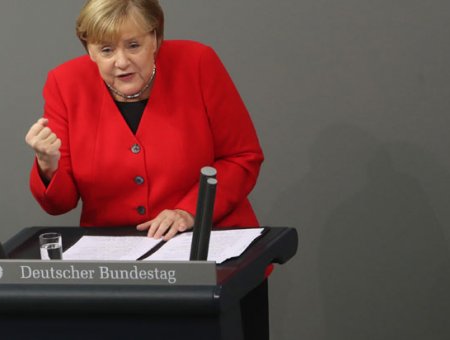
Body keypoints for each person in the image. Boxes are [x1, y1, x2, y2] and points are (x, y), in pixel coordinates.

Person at [25, 2, 268, 338]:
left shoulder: (197, 63)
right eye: (106, 49)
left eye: (134, 45)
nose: (121, 61)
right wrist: (48, 165)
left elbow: (242, 157)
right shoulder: (65, 84)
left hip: (213, 262)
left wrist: (188, 212)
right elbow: (59, 204)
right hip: (119, 279)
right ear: (89, 49)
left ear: (155, 37)